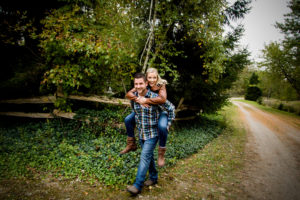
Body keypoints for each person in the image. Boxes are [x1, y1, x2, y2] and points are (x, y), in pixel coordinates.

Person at [126, 72, 175, 195]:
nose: (138, 86)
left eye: (141, 83)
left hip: (153, 134)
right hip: (142, 133)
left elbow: (171, 107)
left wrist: (167, 124)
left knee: (144, 157)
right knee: (149, 158)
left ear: (146, 83)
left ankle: (137, 185)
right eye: (136, 84)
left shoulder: (155, 97)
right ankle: (153, 177)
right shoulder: (134, 97)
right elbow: (135, 113)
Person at [120, 68, 169, 167]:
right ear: (146, 78)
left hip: (161, 110)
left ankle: (161, 152)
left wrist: (146, 100)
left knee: (162, 127)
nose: (152, 80)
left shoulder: (160, 85)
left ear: (157, 77)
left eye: (154, 77)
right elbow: (129, 94)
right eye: (150, 77)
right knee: (128, 119)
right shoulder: (143, 84)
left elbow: (163, 99)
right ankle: (131, 144)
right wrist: (138, 99)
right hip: (145, 108)